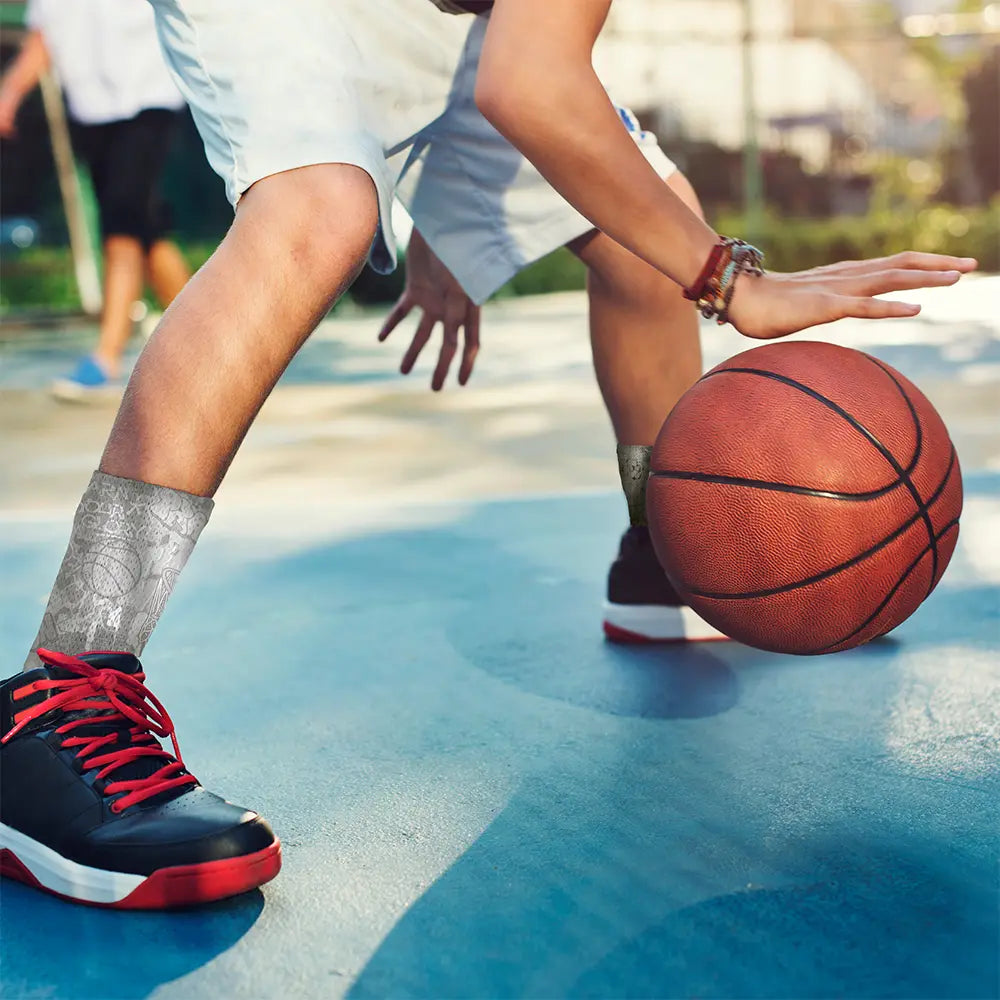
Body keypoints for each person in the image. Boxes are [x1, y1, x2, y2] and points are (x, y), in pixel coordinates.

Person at [0, 0, 976, 910]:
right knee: (318, 211)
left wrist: (460, 212)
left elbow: (529, 67)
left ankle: (671, 539)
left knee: (645, 232)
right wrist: (727, 277)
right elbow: (533, 87)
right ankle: (64, 687)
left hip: (442, 24)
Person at [0, 0, 192, 400]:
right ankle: (208, 339)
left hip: (151, 97)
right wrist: (11, 92)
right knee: (146, 230)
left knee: (122, 223)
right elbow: (43, 39)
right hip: (90, 109)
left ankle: (105, 356)